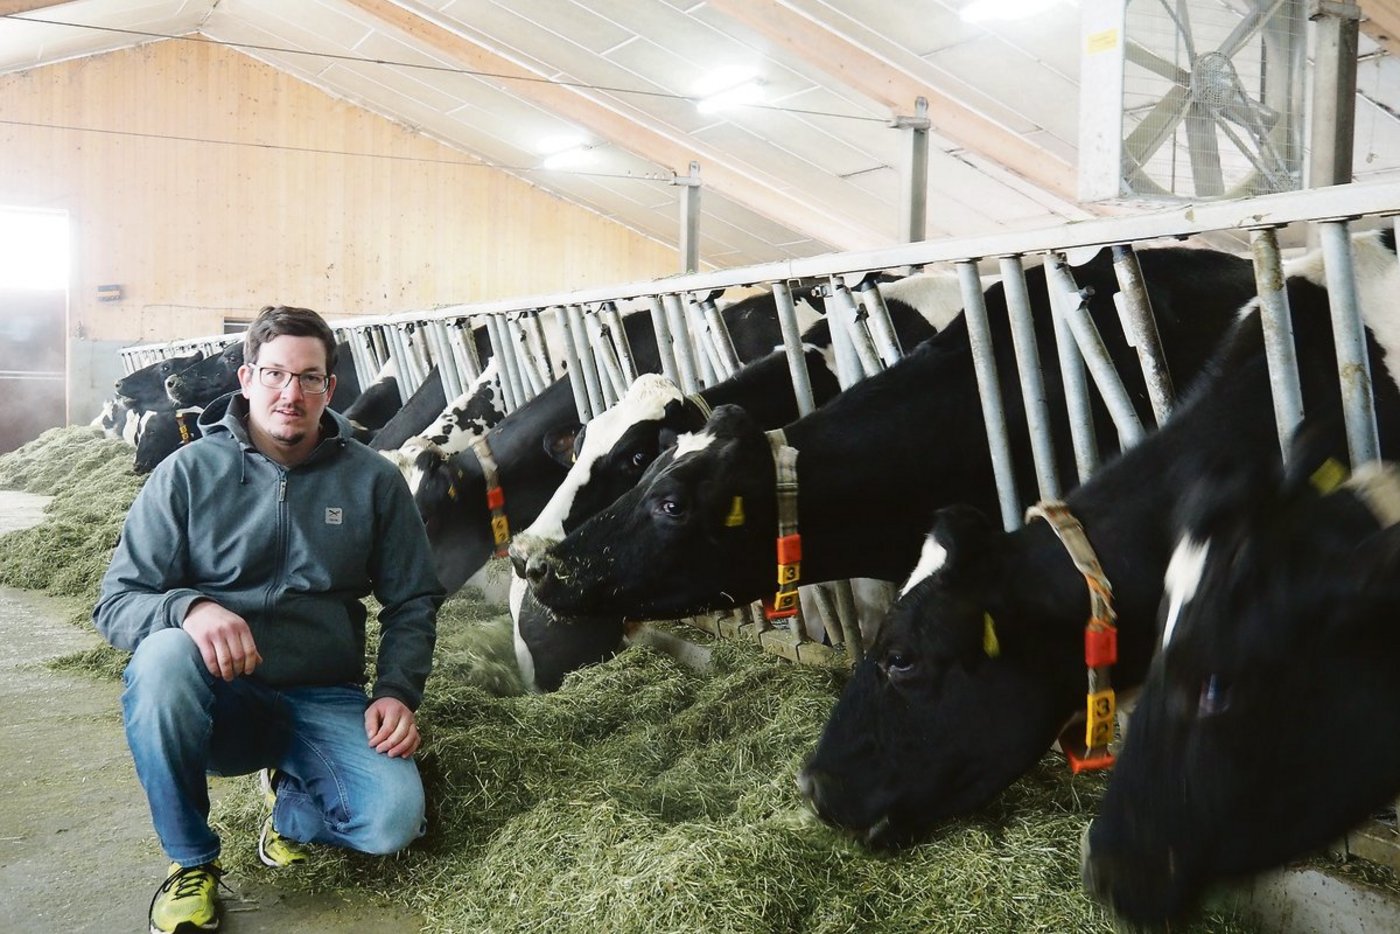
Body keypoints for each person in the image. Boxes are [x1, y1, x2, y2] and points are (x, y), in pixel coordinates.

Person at [94, 305, 445, 934]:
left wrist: (396, 692)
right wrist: (190, 608)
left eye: (310, 378)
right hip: (222, 697)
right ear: (247, 377)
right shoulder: (188, 474)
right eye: (277, 374)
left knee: (392, 823)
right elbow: (118, 601)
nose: (292, 393)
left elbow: (412, 599)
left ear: (329, 388)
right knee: (163, 658)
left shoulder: (373, 480)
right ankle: (191, 861)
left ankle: (292, 805)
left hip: (325, 693)